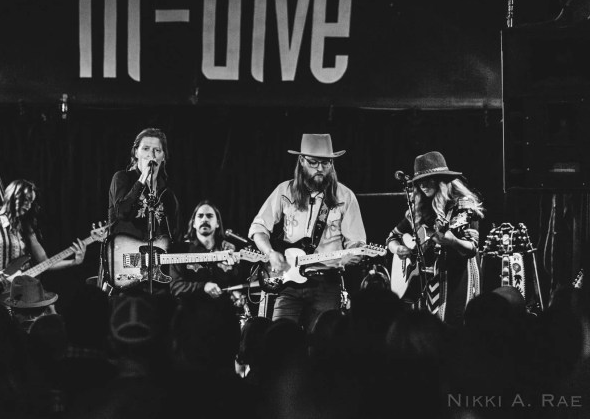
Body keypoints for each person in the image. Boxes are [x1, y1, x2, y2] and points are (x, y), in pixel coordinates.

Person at [248, 133, 367, 328]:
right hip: (289, 283)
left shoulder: (345, 196)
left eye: (326, 163)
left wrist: (352, 254)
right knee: (280, 335)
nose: (320, 168)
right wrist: (270, 253)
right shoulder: (284, 191)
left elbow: (356, 241)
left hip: (327, 283)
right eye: (313, 162)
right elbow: (258, 228)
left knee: (323, 340)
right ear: (302, 161)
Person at [386, 151, 484, 326]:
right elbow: (392, 237)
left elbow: (472, 247)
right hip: (427, 281)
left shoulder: (463, 204)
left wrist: (452, 241)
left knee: (453, 328)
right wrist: (398, 249)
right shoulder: (419, 207)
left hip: (457, 276)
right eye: (419, 181)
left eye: (428, 179)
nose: (423, 185)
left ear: (442, 179)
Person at [0, 179, 85, 291]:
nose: (29, 206)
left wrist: (74, 262)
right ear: (14, 195)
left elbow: (45, 262)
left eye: (31, 202)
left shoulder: (26, 228)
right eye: (26, 200)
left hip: (18, 290)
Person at [106, 128, 180, 291]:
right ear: (136, 153)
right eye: (146, 149)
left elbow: (173, 237)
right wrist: (142, 178)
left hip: (156, 277)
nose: (151, 155)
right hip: (124, 272)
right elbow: (122, 213)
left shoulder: (167, 195)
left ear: (163, 156)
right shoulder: (122, 178)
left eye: (157, 150)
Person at [170, 200, 245, 300]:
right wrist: (203, 287)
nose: (204, 219)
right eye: (200, 216)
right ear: (194, 223)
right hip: (191, 307)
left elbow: (237, 282)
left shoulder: (227, 249)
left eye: (209, 216)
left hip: (223, 307)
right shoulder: (181, 249)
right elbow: (176, 287)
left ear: (217, 223)